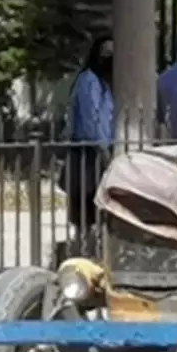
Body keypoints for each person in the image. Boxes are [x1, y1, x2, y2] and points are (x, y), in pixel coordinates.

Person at [64, 35, 115, 246]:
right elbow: (90, 121)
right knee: (86, 204)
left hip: (103, 149)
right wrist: (103, 151)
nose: (109, 58)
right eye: (105, 53)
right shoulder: (89, 80)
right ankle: (82, 245)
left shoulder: (105, 83)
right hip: (88, 152)